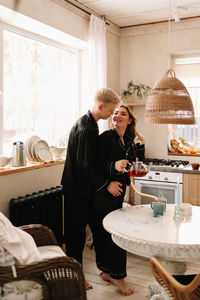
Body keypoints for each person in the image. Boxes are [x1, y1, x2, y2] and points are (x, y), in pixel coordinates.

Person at [61, 88, 121, 290]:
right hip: (77, 190)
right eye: (111, 111)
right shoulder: (87, 128)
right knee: (76, 237)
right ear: (101, 106)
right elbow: (85, 167)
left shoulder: (87, 122)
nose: (111, 115)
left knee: (87, 232)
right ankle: (76, 278)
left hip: (80, 189)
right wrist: (108, 184)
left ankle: (96, 272)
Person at [91, 105, 145, 296]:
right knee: (113, 234)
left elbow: (134, 164)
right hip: (103, 194)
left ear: (130, 120)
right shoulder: (106, 137)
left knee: (107, 234)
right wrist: (108, 184)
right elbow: (94, 165)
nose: (118, 115)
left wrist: (141, 143)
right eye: (116, 113)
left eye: (123, 114)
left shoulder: (127, 140)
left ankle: (107, 272)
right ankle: (118, 276)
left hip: (117, 194)